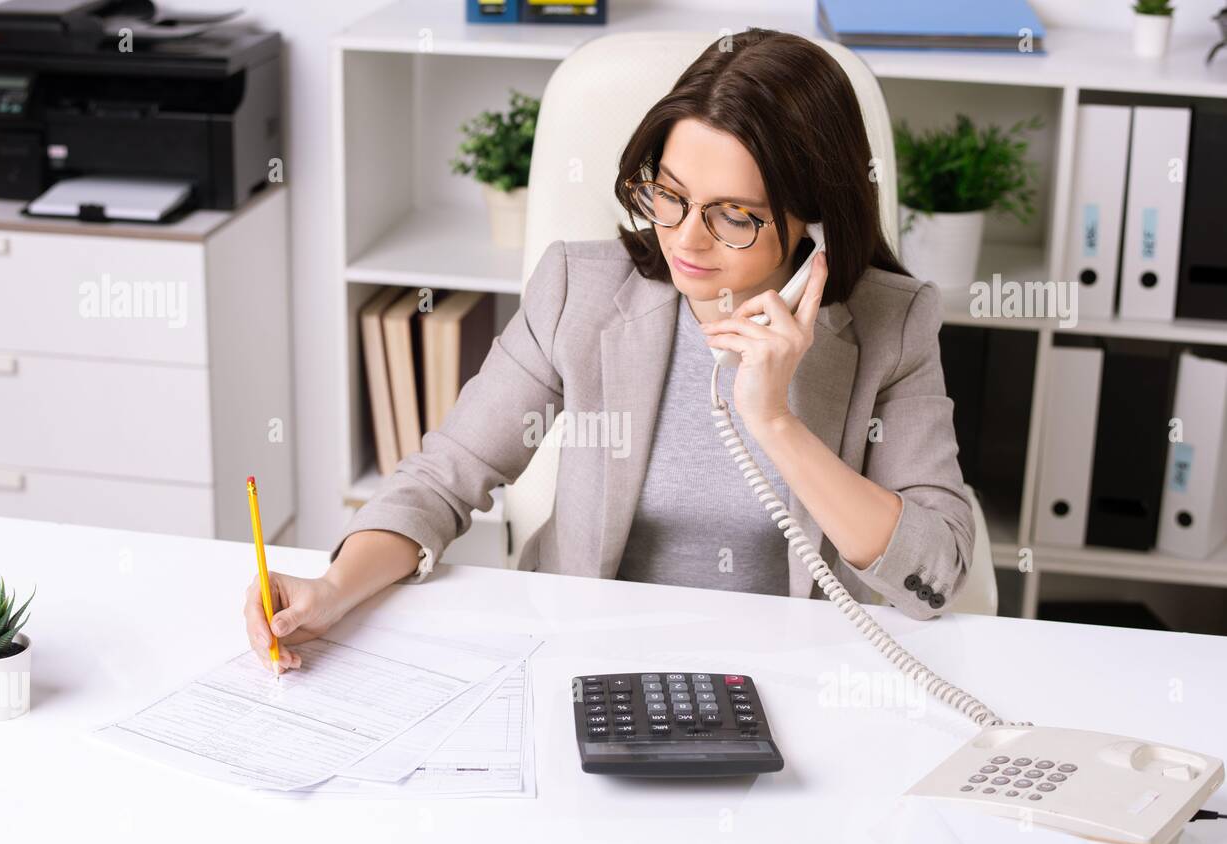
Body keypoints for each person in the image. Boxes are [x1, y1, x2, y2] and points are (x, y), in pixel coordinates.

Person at [246, 28, 974, 673]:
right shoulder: (581, 290)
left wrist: (777, 423)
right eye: (669, 193)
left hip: (798, 676)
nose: (684, 238)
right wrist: (332, 588)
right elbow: (445, 477)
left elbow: (935, 574)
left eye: (734, 217)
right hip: (592, 661)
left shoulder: (892, 324)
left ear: (813, 217)